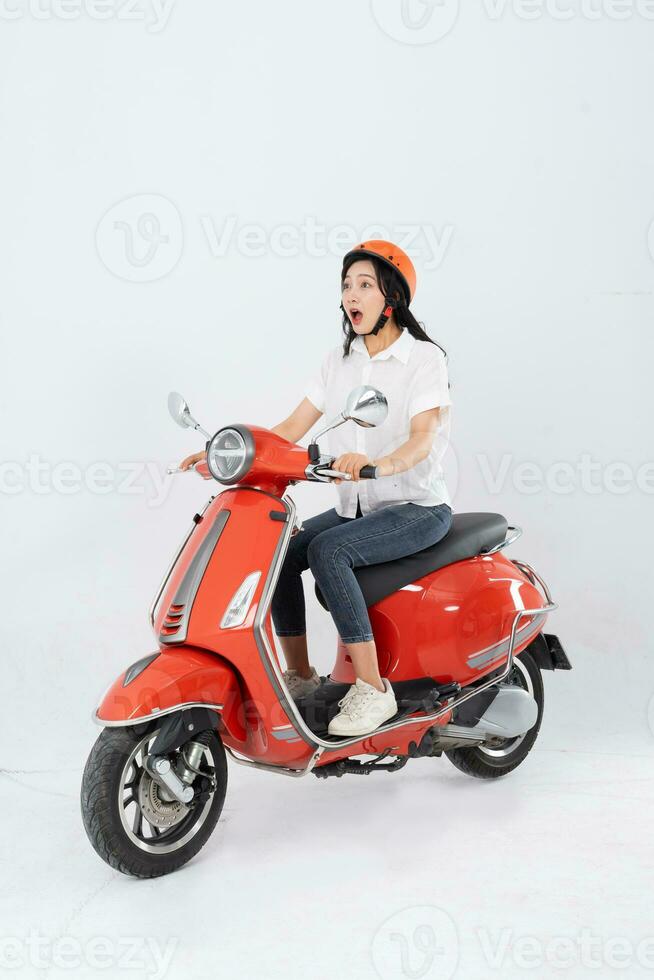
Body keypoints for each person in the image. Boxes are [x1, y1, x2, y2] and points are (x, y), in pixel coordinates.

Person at [181, 240, 454, 737]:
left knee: (329, 552)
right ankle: (303, 677)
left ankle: (372, 689)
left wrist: (378, 462)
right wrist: (227, 454)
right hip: (358, 510)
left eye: (365, 285)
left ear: (391, 297)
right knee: (281, 549)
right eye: (347, 285)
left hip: (416, 506)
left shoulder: (424, 361)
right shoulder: (340, 361)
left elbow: (422, 439)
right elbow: (289, 429)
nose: (353, 294)